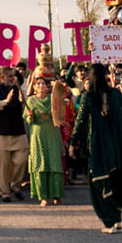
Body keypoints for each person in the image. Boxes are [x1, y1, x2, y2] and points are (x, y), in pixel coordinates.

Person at [68, 62, 122, 232]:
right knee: (114, 180)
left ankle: (110, 221)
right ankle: (117, 220)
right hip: (116, 145)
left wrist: (72, 143)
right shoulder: (114, 94)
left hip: (98, 145)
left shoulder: (88, 97)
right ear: (105, 76)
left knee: (100, 182)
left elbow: (80, 121)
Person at [24, 68, 71, 205]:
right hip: (37, 135)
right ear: (34, 87)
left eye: (43, 83)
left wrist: (64, 104)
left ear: (48, 86)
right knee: (40, 164)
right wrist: (30, 116)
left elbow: (61, 114)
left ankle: (57, 195)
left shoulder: (54, 99)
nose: (40, 86)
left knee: (55, 163)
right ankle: (43, 196)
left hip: (52, 134)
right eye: (37, 84)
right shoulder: (31, 101)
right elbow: (27, 120)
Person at [0, 66, 30, 201]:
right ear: (3, 77)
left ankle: (15, 185)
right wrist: (6, 101)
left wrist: (21, 94)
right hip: (1, 133)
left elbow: (25, 105)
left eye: (14, 76)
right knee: (3, 166)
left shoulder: (17, 88)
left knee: (22, 160)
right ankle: (5, 193)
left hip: (18, 131)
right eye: (10, 76)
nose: (13, 78)